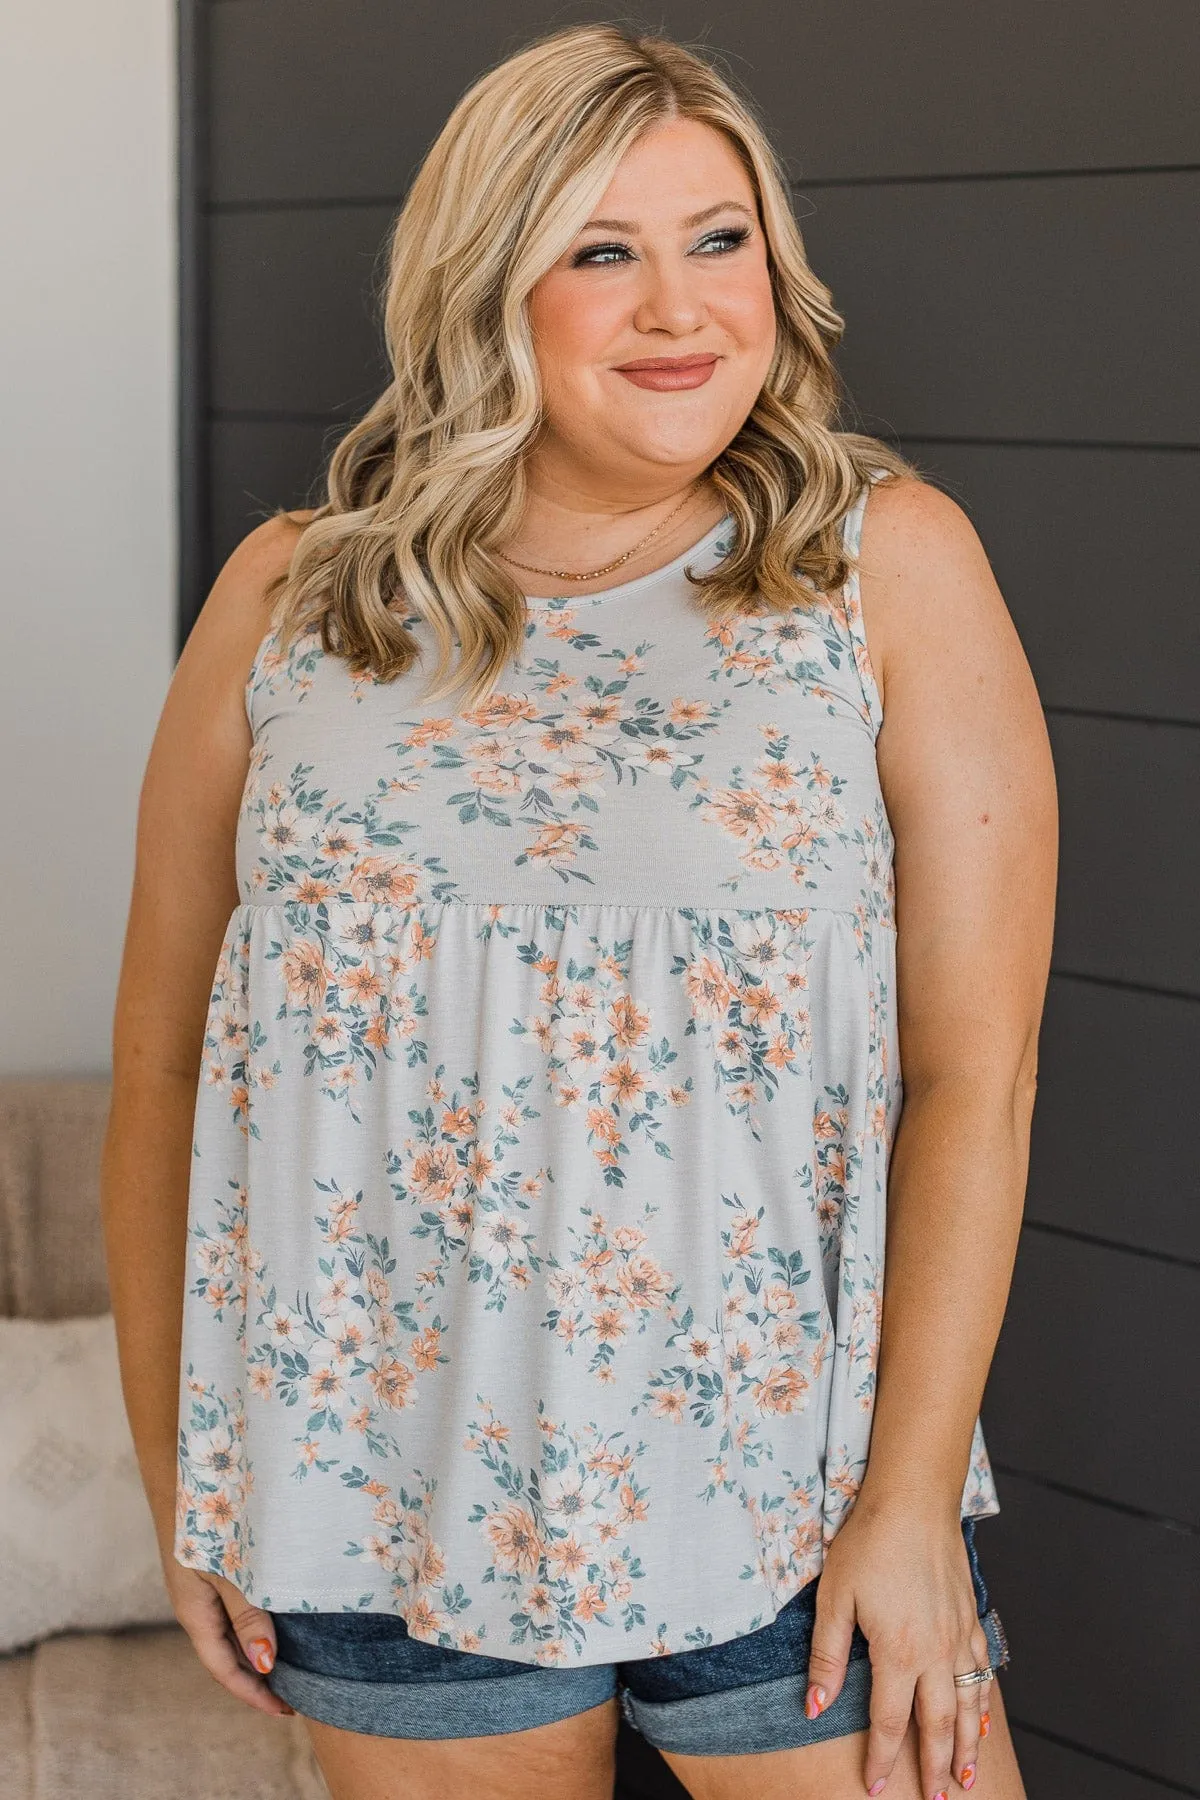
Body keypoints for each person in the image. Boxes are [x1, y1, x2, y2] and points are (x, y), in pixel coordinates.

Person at [102, 22, 1055, 1800]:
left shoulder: (885, 565)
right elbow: (158, 1067)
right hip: (381, 1490)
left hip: (794, 1502)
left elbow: (975, 1078)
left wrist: (914, 1499)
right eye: (602, 251)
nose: (682, 306)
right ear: (486, 291)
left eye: (721, 238)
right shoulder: (288, 602)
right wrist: (195, 1481)